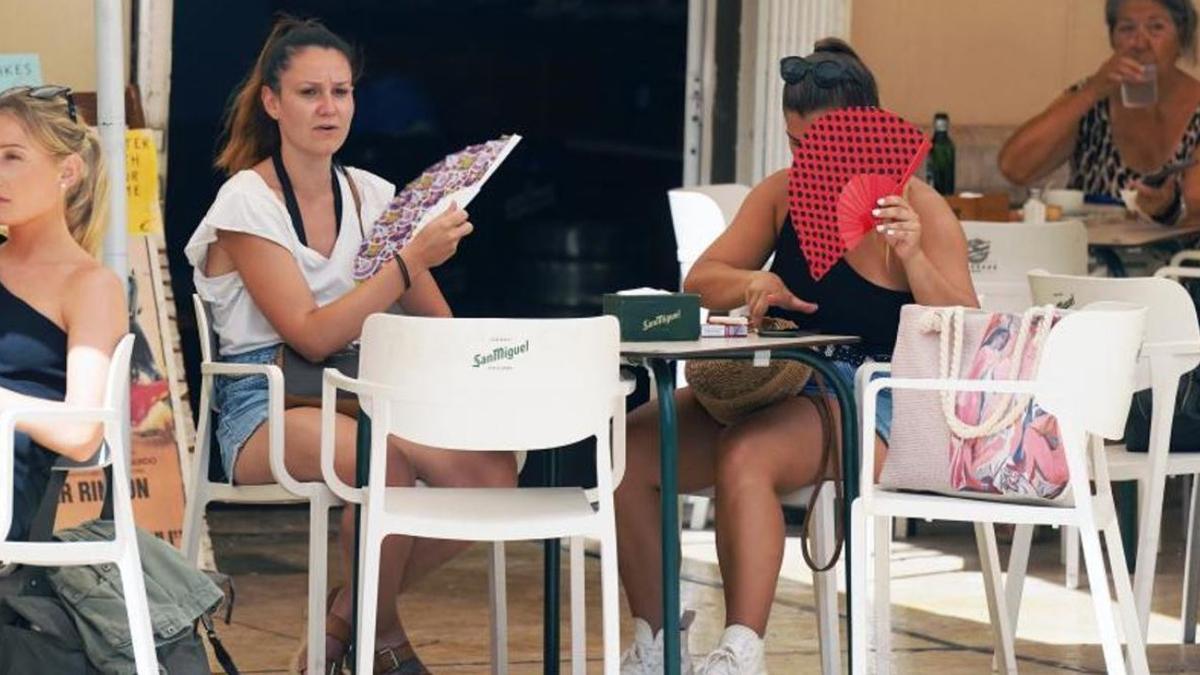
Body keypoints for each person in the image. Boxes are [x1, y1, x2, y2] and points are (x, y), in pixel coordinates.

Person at [616, 38, 977, 674]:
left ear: (868, 132)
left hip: (870, 396)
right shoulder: (783, 192)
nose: (807, 159)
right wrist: (753, 283)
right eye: (795, 142)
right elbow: (702, 280)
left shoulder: (918, 206)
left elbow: (965, 328)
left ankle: (741, 651)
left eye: (821, 145)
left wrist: (914, 256)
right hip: (776, 379)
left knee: (747, 455)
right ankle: (656, 644)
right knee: (635, 449)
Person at [183, 17, 517, 673]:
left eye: (341, 91)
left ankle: (341, 624)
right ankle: (378, 639)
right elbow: (307, 331)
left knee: (490, 472)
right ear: (273, 103)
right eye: (310, 93)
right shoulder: (244, 202)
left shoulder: (373, 196)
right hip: (266, 400)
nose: (329, 107)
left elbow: (434, 326)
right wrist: (403, 261)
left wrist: (425, 264)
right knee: (381, 462)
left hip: (363, 388)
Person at [0, 85, 126, 542]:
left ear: (67, 172)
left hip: (9, 492)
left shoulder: (90, 286)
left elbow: (81, 431)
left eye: (12, 156)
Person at [999, 0, 1200, 225]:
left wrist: (1168, 208)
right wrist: (1092, 91)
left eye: (1156, 28)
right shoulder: (1092, 98)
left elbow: (1195, 209)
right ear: (1113, 40)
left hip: (1178, 258)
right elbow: (1014, 168)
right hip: (1088, 254)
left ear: (1181, 37)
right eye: (1127, 28)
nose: (1140, 43)